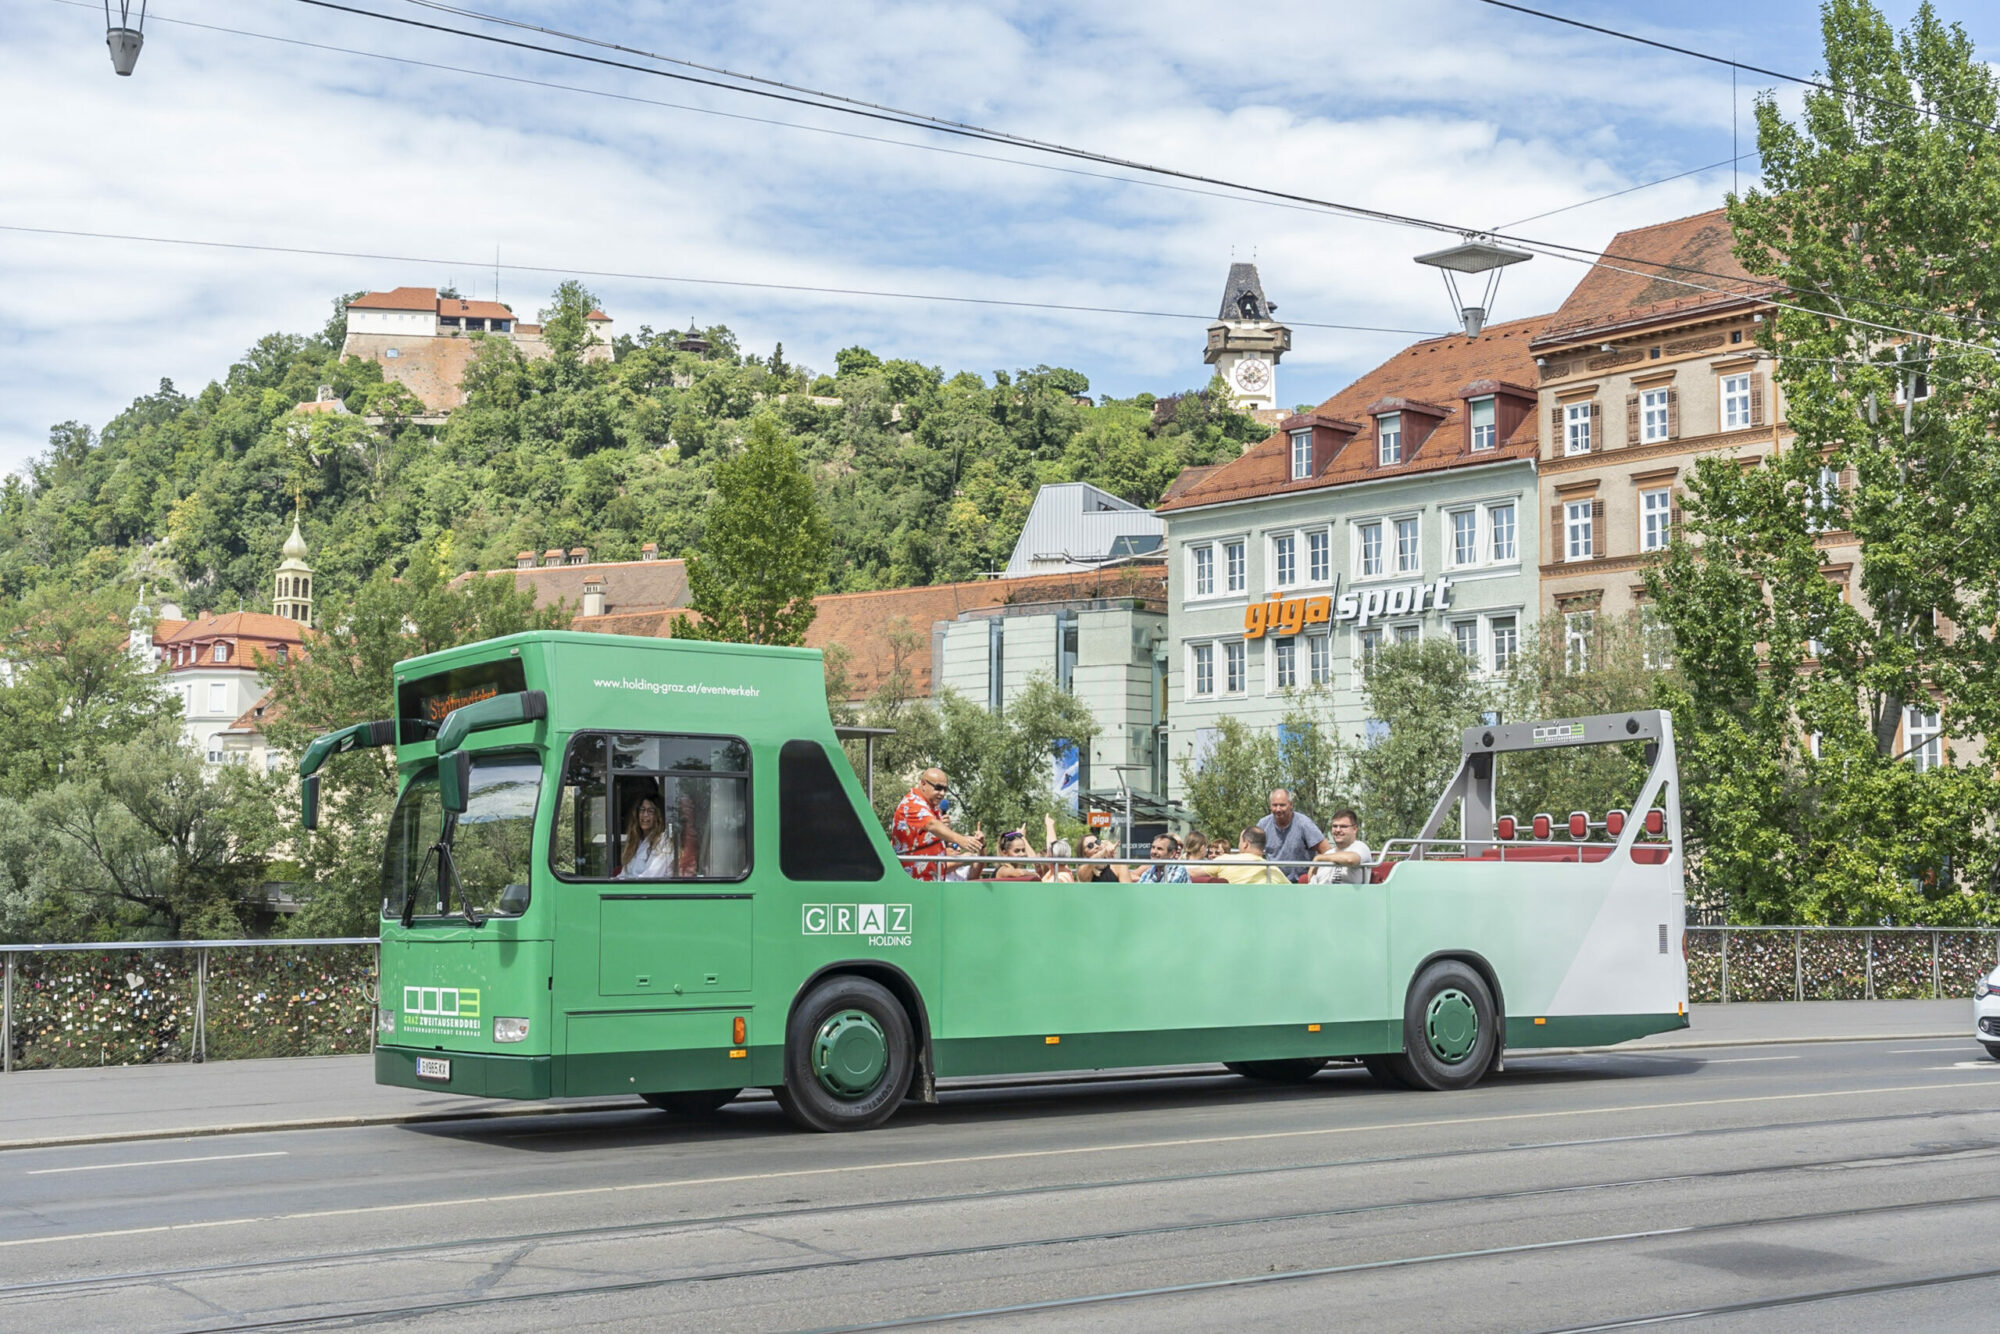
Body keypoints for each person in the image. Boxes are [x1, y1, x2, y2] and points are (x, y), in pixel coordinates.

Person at [890, 768, 983, 880]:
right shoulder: (911, 803)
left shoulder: (932, 808)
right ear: (923, 784)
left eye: (945, 789)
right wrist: (960, 839)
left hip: (931, 881)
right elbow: (931, 825)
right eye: (938, 788)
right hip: (911, 882)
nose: (942, 793)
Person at [1258, 789, 1331, 881]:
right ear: (1270, 806)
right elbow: (1251, 852)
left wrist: (1315, 871)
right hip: (1272, 882)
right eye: (1275, 805)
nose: (1278, 809)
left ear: (1291, 804)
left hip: (1300, 883)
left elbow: (1327, 851)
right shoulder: (1263, 824)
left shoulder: (1304, 824)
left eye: (1282, 805)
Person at [1310, 809, 1373, 886]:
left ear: (1354, 829)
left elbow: (1351, 860)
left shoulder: (1360, 847)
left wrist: (1319, 858)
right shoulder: (1328, 854)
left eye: (1343, 826)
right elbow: (1312, 880)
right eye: (1335, 826)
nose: (1338, 830)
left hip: (1349, 896)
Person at [616, 797, 675, 879]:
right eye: (642, 810)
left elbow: (650, 877)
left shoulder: (664, 841)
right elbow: (624, 874)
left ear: (658, 816)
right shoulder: (635, 842)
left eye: (650, 811)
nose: (645, 815)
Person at [1212, 826, 1286, 885]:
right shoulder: (1274, 870)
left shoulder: (1224, 860)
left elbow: (1200, 873)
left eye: (1240, 841)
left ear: (1245, 844)